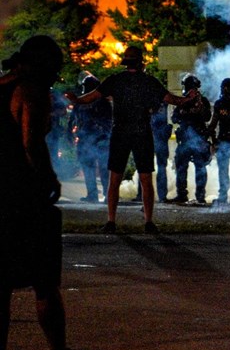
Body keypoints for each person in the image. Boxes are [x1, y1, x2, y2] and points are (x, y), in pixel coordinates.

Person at [1, 36, 91, 350]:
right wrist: (49, 180)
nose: (55, 77)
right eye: (53, 69)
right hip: (25, 202)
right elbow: (30, 144)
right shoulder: (30, 91)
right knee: (45, 285)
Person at [65, 45, 190, 234]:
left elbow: (91, 97)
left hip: (120, 133)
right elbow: (172, 99)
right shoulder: (149, 81)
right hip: (142, 132)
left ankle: (111, 221)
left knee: (114, 179)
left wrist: (75, 99)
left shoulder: (116, 81)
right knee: (146, 179)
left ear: (125, 62)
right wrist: (187, 98)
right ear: (141, 62)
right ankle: (148, 222)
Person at [67, 74, 112, 203]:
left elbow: (109, 122)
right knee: (88, 167)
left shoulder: (102, 102)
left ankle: (107, 195)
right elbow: (73, 120)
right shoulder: (81, 102)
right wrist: (70, 134)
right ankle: (93, 195)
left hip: (100, 140)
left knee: (103, 168)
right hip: (86, 139)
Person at [170, 74, 213, 206]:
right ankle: (183, 194)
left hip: (198, 139)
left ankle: (199, 196)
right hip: (186, 139)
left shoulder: (202, 101)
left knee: (199, 167)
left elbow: (206, 117)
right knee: (182, 167)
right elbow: (174, 118)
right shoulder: (183, 101)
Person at [150, 103, 172, 203]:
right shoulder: (162, 102)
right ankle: (142, 194)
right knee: (145, 168)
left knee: (161, 168)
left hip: (159, 138)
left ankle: (162, 195)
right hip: (151, 137)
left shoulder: (162, 103)